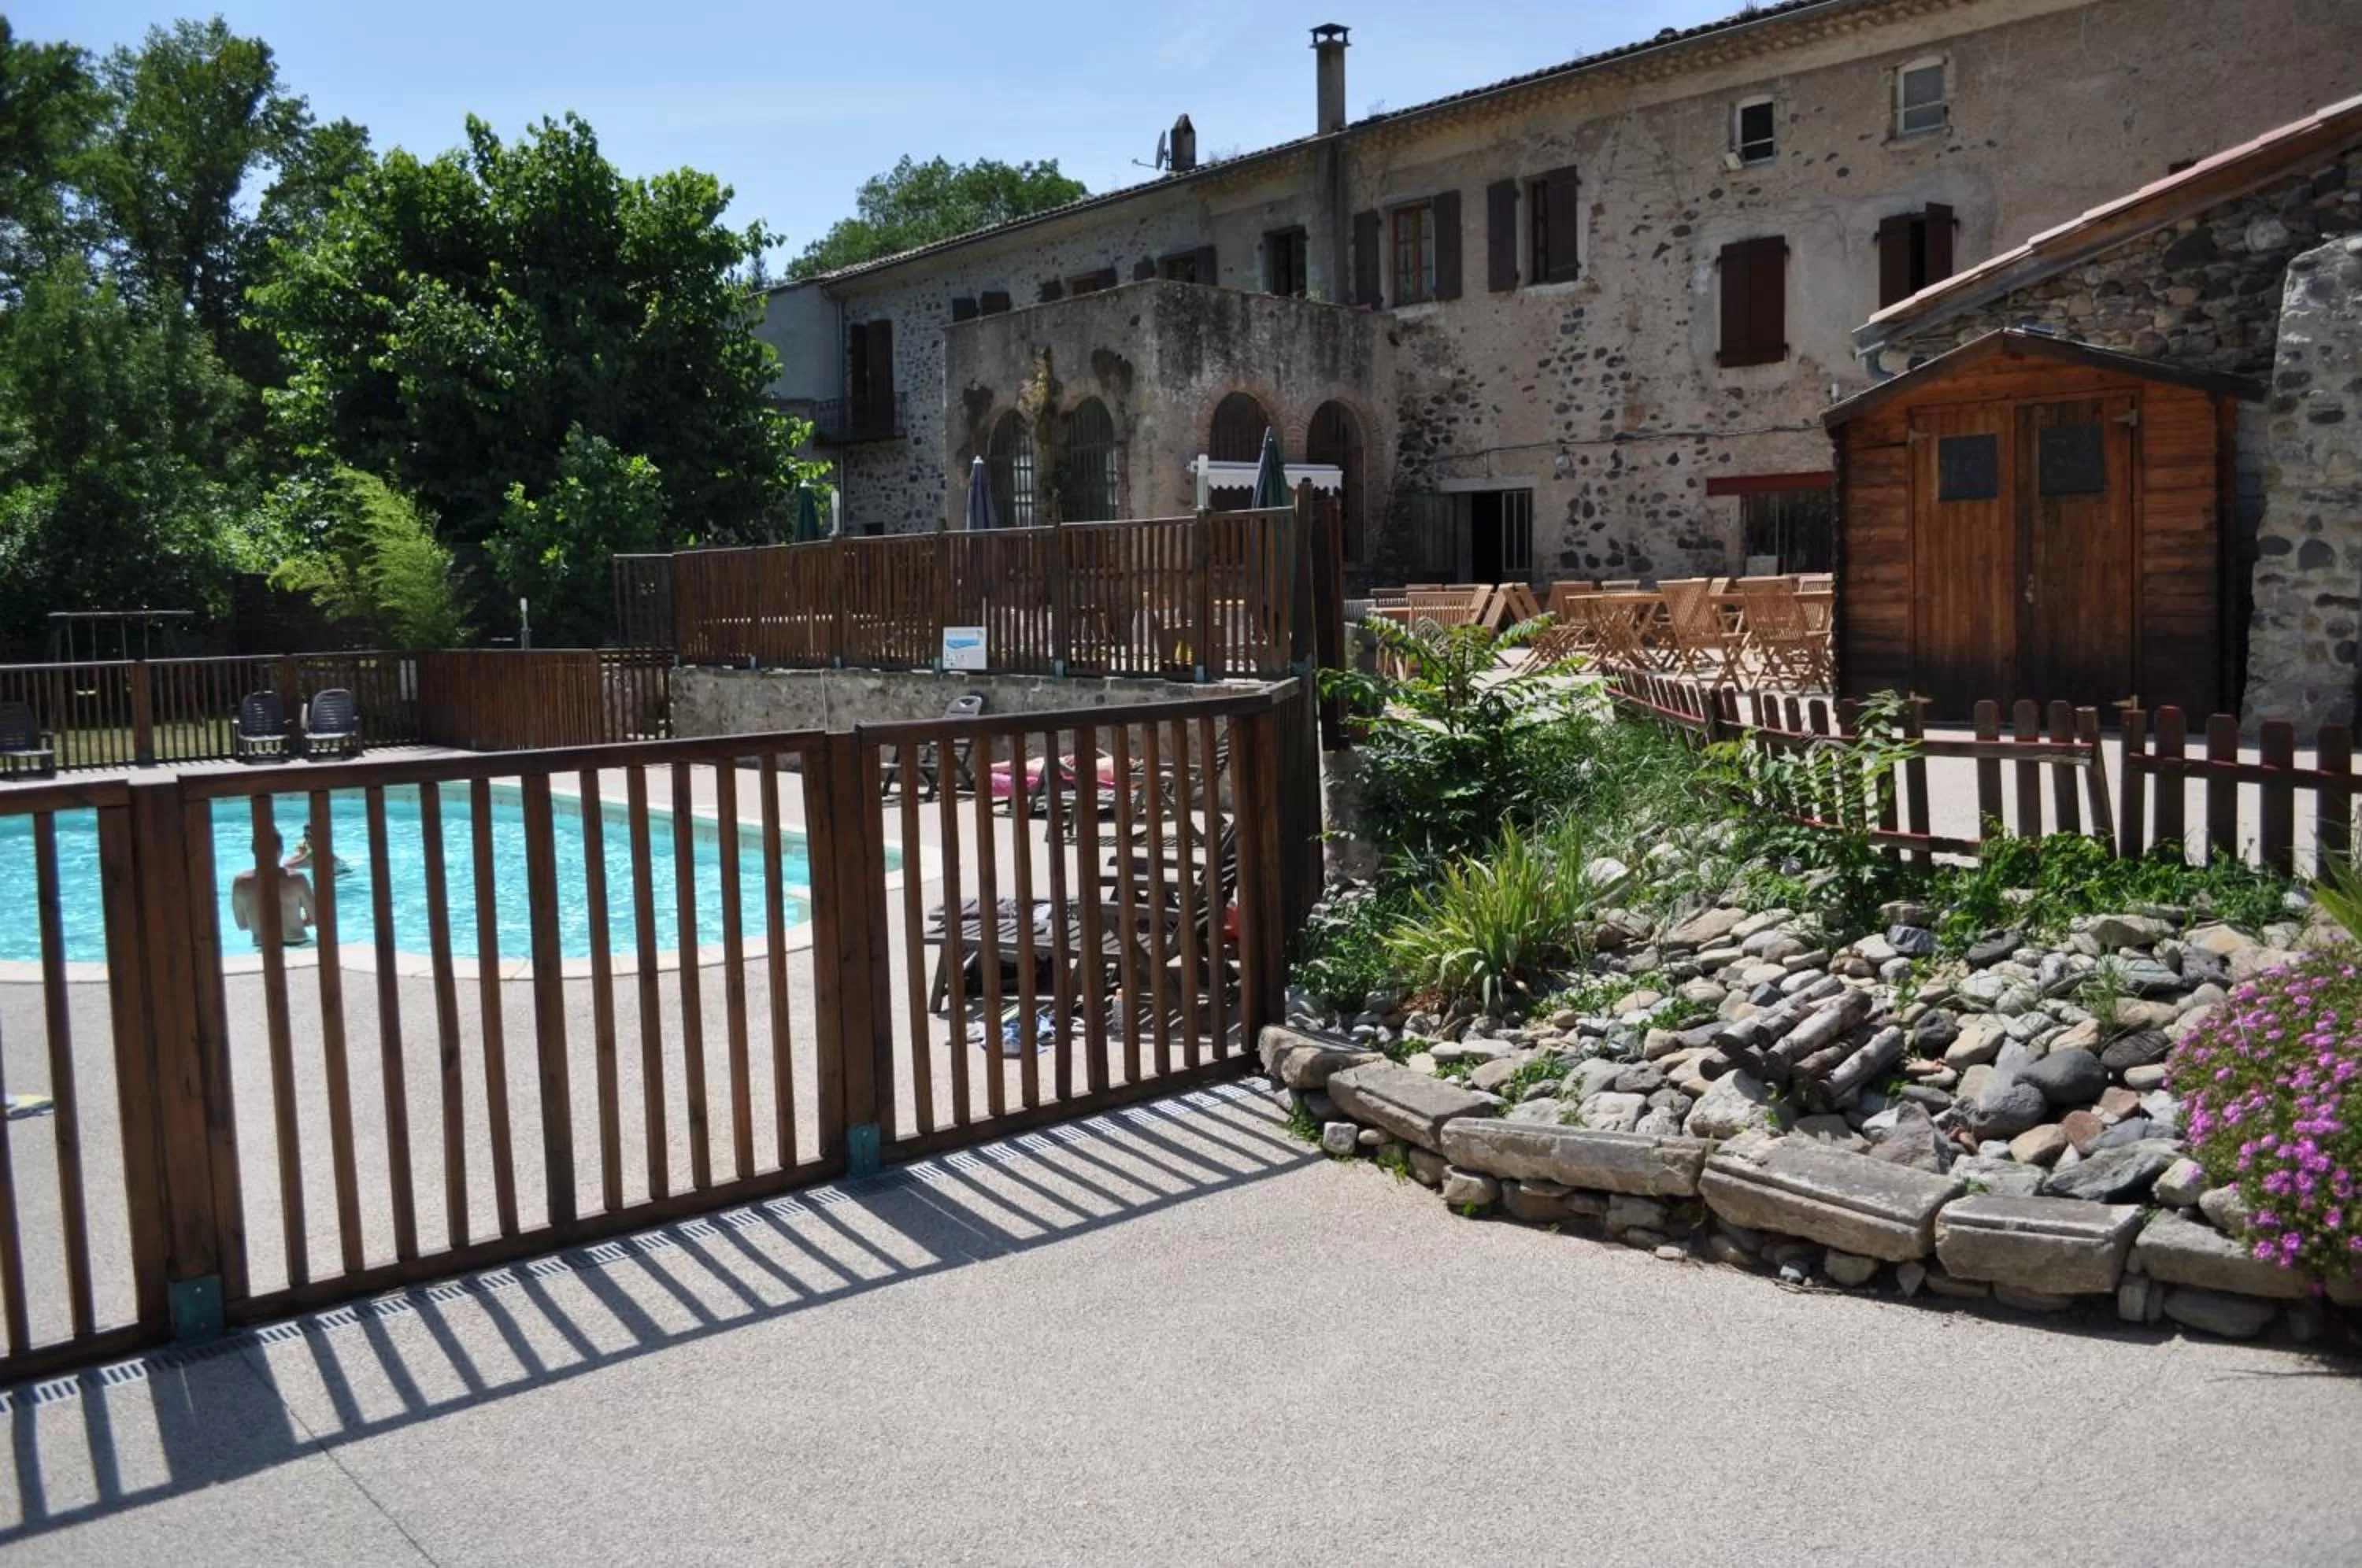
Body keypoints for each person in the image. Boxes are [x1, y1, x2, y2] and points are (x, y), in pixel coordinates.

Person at [235, 829, 317, 947]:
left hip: (262, 947)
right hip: (297, 942)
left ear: (253, 850)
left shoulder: (240, 883)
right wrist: (293, 923)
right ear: (281, 850)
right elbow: (315, 918)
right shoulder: (297, 879)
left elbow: (242, 925)